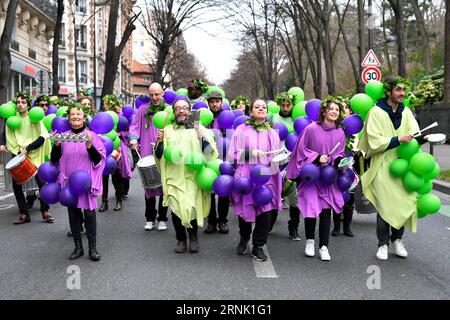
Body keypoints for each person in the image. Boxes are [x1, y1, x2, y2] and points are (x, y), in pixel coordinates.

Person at [358, 76, 429, 261]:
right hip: (382, 165)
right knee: (385, 205)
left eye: (404, 90)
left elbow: (415, 135)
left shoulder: (406, 112)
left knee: (404, 202)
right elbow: (373, 141)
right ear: (389, 91)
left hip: (403, 165)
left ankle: (397, 239)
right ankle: (382, 244)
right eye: (398, 90)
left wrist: (426, 138)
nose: (402, 93)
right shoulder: (375, 112)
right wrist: (398, 139)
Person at [286, 97, 346, 261]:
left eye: (337, 110)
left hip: (328, 177)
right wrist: (317, 157)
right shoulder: (312, 128)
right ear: (324, 112)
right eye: (331, 109)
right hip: (312, 176)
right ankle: (310, 242)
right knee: (311, 210)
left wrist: (341, 161)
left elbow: (340, 153)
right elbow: (300, 149)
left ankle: (324, 246)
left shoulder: (340, 131)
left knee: (326, 211)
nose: (334, 112)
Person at [154, 97, 218, 253]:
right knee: (176, 208)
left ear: (189, 111)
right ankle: (181, 239)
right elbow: (159, 154)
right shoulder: (167, 130)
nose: (181, 110)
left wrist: (202, 136)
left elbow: (210, 153)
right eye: (178, 108)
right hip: (173, 176)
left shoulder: (197, 128)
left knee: (192, 207)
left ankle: (194, 237)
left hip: (192, 176)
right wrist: (160, 142)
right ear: (174, 112)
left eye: (184, 108)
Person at [227, 99, 282, 262]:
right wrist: (250, 152)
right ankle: (244, 238)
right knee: (245, 209)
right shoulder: (241, 129)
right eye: (257, 107)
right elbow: (232, 154)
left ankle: (258, 245)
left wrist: (282, 157)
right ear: (250, 112)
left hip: (267, 176)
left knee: (265, 210)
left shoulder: (272, 132)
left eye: (263, 107)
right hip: (246, 175)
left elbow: (276, 155)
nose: (261, 109)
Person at [51, 104, 105, 261]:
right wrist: (56, 145)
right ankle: (78, 247)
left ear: (84, 117)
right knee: (73, 214)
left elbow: (98, 159)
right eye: (72, 114)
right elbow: (54, 159)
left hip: (85, 183)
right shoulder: (62, 136)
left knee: (89, 215)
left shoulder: (92, 136)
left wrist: (89, 146)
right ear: (68, 118)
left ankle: (92, 249)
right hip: (69, 183)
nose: (75, 117)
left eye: (78, 114)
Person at [1, 92, 54, 225]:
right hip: (18, 152)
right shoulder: (11, 118)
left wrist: (28, 148)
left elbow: (42, 137)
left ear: (28, 105)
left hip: (34, 154)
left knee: (41, 183)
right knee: (17, 185)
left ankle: (45, 211)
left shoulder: (35, 117)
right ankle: (24, 214)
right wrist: (2, 144)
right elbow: (5, 133)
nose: (20, 104)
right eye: (18, 102)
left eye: (23, 102)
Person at [129, 83, 169, 231]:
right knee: (149, 186)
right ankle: (150, 218)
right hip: (146, 151)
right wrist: (133, 138)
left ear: (162, 93)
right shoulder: (143, 109)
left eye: (157, 94)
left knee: (165, 186)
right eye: (151, 94)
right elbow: (134, 126)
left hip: (165, 153)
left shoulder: (169, 110)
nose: (154, 97)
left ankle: (163, 219)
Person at [270, 92, 301, 241]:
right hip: (276, 160)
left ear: (292, 105)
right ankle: (269, 222)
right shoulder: (274, 118)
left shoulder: (298, 118)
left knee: (294, 196)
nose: (285, 107)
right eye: (282, 104)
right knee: (275, 192)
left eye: (288, 105)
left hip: (293, 160)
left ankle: (293, 228)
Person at [98, 94, 131, 212]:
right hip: (104, 147)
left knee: (117, 176)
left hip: (116, 148)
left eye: (106, 103)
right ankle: (104, 202)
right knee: (104, 176)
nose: (104, 106)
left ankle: (119, 200)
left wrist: (120, 134)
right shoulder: (102, 116)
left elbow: (128, 132)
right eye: (104, 104)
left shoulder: (121, 117)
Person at [204, 91, 231, 234]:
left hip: (224, 158)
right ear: (208, 103)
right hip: (207, 158)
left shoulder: (227, 117)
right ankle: (212, 221)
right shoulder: (204, 117)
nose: (215, 104)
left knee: (223, 190)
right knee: (209, 190)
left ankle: (223, 221)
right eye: (212, 102)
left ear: (221, 102)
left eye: (217, 101)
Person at [331, 98, 357, 237]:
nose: (343, 110)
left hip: (351, 167)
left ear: (350, 111)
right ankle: (336, 227)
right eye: (340, 108)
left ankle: (347, 227)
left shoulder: (356, 128)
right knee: (336, 194)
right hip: (336, 166)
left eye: (345, 107)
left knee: (350, 198)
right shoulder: (334, 127)